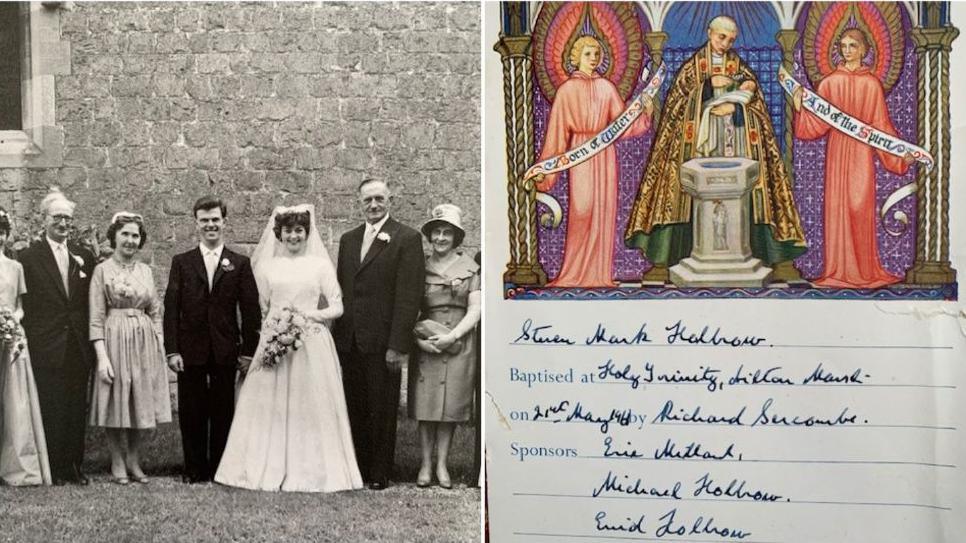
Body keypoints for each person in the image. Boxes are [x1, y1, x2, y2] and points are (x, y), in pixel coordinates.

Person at [625, 16, 806, 278]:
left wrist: (745, 95)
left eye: (731, 40)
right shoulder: (692, 68)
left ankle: (767, 256)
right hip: (700, 145)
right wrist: (707, 88)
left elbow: (756, 105)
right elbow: (676, 105)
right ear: (710, 33)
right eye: (722, 37)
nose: (725, 43)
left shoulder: (738, 66)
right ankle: (671, 258)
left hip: (734, 141)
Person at [215, 205, 363, 492]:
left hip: (311, 342)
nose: (293, 236)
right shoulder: (267, 267)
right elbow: (259, 307)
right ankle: (262, 465)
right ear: (278, 234)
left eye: (299, 230)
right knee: (267, 404)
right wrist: (275, 327)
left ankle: (311, 470)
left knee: (310, 404)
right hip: (274, 339)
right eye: (288, 231)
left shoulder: (320, 266)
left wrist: (307, 316)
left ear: (307, 233)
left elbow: (337, 306)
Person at [791, 28, 913, 288]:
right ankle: (837, 271)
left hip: (861, 155)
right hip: (837, 154)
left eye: (853, 46)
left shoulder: (872, 85)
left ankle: (864, 272)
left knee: (859, 208)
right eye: (843, 45)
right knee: (837, 210)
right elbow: (813, 126)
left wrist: (898, 155)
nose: (847, 51)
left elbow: (881, 126)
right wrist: (800, 108)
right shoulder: (829, 83)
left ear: (864, 50)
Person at [535, 35, 653, 287]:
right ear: (576, 57)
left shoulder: (606, 87)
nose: (594, 59)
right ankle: (574, 273)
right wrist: (546, 172)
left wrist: (644, 115)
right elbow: (556, 133)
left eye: (597, 54)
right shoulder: (566, 90)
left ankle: (599, 274)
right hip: (581, 153)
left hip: (605, 155)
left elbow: (622, 125)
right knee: (582, 209)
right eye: (588, 54)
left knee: (604, 211)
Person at [334, 179, 425, 490]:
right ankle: (356, 468)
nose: (373, 205)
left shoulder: (407, 238)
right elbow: (342, 291)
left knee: (383, 408)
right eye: (367, 200)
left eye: (379, 199)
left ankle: (379, 472)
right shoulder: (349, 240)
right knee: (355, 405)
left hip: (383, 342)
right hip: (350, 340)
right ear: (359, 202)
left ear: (390, 200)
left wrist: (397, 345)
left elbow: (409, 296)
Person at [163, 196, 260, 484]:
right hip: (190, 350)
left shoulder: (239, 263)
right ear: (196, 224)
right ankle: (193, 468)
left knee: (222, 410)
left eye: (215, 219)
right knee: (191, 410)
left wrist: (247, 352)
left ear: (224, 222)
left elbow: (251, 310)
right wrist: (172, 350)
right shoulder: (182, 262)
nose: (210, 225)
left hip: (224, 349)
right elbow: (171, 310)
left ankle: (219, 466)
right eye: (204, 220)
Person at [19, 190, 96, 486]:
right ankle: (52, 466)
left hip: (77, 344)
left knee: (76, 407)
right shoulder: (28, 257)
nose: (63, 223)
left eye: (67, 218)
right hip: (46, 343)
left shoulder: (84, 257)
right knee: (51, 405)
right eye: (57, 217)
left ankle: (75, 466)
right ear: (44, 220)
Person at [89, 212, 171, 484]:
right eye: (125, 234)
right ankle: (116, 459)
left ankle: (134, 459)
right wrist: (102, 357)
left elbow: (155, 310)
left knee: (139, 398)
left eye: (135, 235)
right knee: (116, 396)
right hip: (114, 338)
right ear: (114, 237)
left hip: (143, 341)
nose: (130, 240)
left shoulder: (145, 271)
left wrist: (158, 341)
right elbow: (96, 317)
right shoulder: (102, 270)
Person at [409, 204, 480, 489]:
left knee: (450, 406)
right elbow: (408, 308)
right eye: (435, 232)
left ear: (456, 237)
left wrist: (453, 337)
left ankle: (442, 465)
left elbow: (475, 308)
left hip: (458, 342)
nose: (440, 237)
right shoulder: (419, 267)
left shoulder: (471, 268)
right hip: (427, 341)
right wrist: (419, 341)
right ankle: (425, 464)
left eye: (446, 233)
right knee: (426, 406)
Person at [0, 207, 51, 486]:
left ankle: (16, 467)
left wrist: (10, 320)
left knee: (14, 402)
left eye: (2, 231)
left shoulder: (15, 267)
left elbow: (21, 307)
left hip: (10, 339)